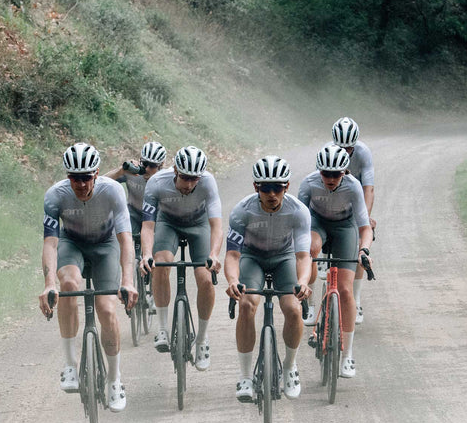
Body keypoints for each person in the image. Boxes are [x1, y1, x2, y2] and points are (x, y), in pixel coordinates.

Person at [38, 142, 138, 412]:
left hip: (106, 245)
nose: (81, 184)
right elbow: (50, 243)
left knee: (107, 309)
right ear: (67, 176)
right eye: (74, 178)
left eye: (86, 177)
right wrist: (49, 284)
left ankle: (114, 379)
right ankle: (70, 365)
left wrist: (128, 281)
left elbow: (125, 240)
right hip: (72, 244)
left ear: (96, 173)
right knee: (69, 284)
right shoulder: (55, 196)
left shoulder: (113, 190)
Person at [225, 156, 312, 402]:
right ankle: (245, 375)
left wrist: (303, 281)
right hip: (252, 258)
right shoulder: (242, 211)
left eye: (277, 187)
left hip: (284, 258)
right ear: (256, 187)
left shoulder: (298, 211)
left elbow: (303, 256)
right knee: (246, 304)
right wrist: (232, 280)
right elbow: (232, 255)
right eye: (265, 188)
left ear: (287, 187)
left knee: (293, 309)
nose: (272, 194)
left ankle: (290, 367)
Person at [140, 145, 223, 371]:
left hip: (199, 225)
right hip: (168, 224)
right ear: (175, 170)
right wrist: (146, 254)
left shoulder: (208, 182)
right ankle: (162, 329)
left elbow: (216, 225)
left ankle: (202, 339)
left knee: (206, 279)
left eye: (194, 179)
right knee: (160, 263)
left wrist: (214, 254)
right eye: (185, 177)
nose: (189, 184)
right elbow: (148, 226)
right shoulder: (156, 182)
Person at [298, 143, 373, 378]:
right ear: (319, 170)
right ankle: (309, 301)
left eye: (336, 174)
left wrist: (364, 250)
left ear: (345, 172)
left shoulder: (353, 186)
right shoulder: (309, 183)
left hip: (345, 228)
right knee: (311, 247)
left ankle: (347, 355)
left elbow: (365, 227)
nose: (330, 179)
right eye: (326, 173)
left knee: (345, 290)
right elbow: (299, 221)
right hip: (317, 223)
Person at [332, 117, 376, 324]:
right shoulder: (326, 152)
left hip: (355, 200)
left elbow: (369, 189)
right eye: (340, 148)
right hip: (332, 201)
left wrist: (364, 218)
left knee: (359, 246)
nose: (344, 152)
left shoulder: (363, 153)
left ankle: (355, 300)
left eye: (349, 148)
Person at [103, 141, 167, 236]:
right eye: (145, 163)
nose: (147, 169)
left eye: (152, 166)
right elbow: (100, 183)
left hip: (156, 218)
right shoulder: (133, 172)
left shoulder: (166, 179)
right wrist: (121, 171)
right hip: (132, 214)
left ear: (161, 165)